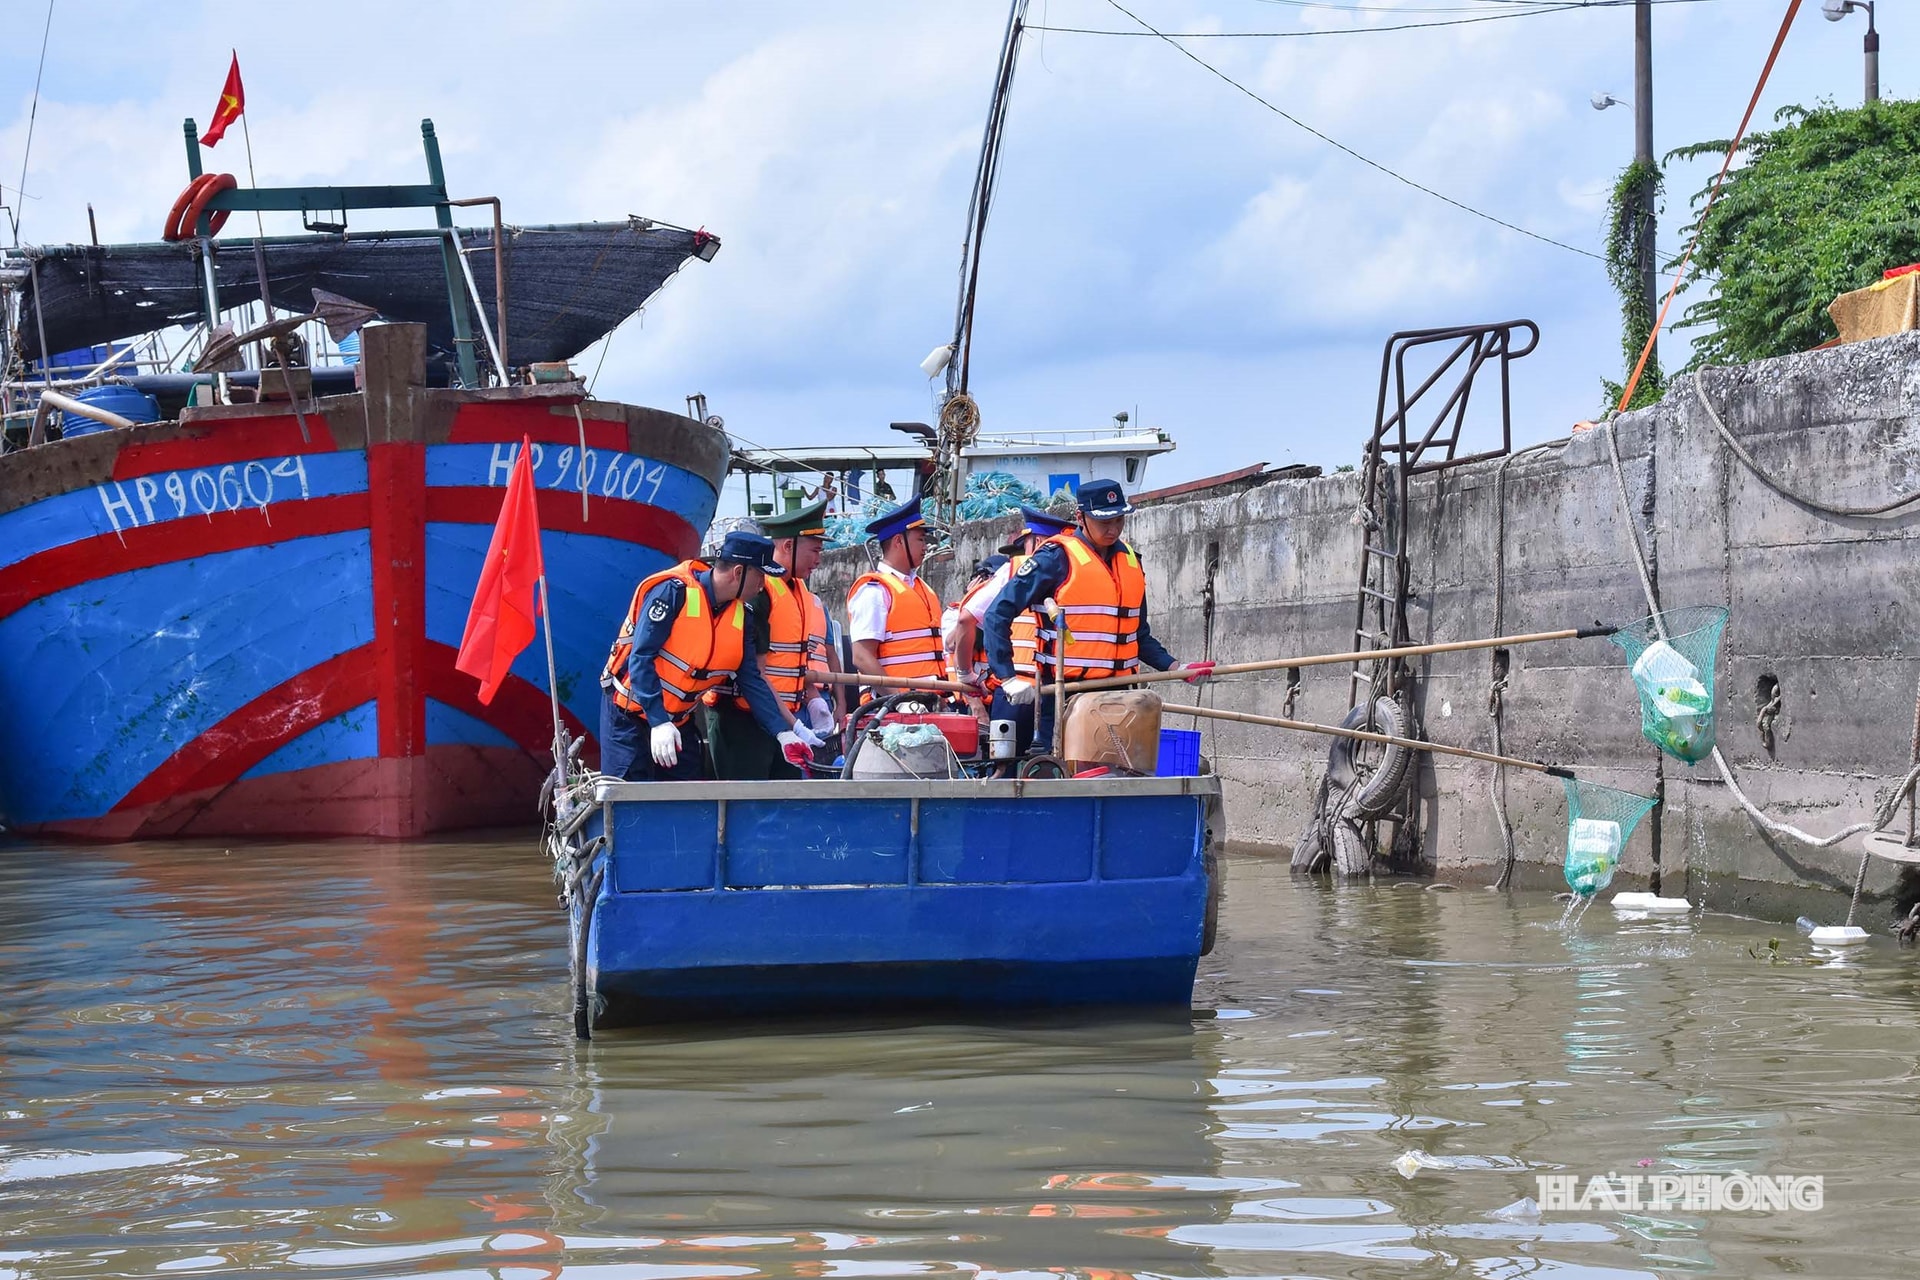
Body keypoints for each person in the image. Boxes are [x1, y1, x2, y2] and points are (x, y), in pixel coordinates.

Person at [982, 480, 1214, 754]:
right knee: (1058, 771)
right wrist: (1007, 677)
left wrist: (1177, 667)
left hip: (1120, 696)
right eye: (1104, 521)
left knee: (1121, 769)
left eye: (1119, 520)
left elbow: (1137, 634)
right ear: (1080, 517)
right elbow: (997, 614)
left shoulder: (1131, 562)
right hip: (1063, 697)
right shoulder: (1054, 559)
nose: (1113, 529)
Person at [599, 531, 821, 781]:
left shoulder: (743, 616)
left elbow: (751, 680)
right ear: (738, 572)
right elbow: (641, 658)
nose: (763, 585)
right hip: (630, 717)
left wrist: (782, 732)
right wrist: (658, 721)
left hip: (677, 722)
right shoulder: (672, 593)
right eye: (760, 576)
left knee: (689, 796)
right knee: (627, 795)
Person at [704, 499, 842, 780]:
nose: (818, 560)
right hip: (745, 721)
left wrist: (812, 699)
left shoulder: (799, 592)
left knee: (785, 799)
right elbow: (756, 671)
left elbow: (792, 662)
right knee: (746, 801)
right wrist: (793, 726)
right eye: (814, 550)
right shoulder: (758, 590)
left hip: (782, 717)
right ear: (788, 546)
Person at [949, 505, 1072, 754]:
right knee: (1059, 765)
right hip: (1066, 692)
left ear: (1037, 541)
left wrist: (965, 675)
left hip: (1015, 691)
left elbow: (965, 620)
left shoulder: (1015, 571)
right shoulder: (1080, 571)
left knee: (1005, 768)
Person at [846, 493, 945, 693]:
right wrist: (898, 700)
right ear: (898, 541)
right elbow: (861, 656)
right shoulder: (874, 591)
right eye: (920, 540)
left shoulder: (923, 588)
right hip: (894, 707)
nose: (925, 547)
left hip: (930, 701)